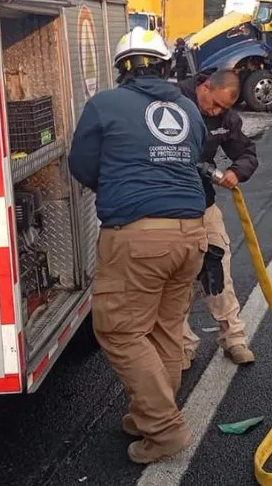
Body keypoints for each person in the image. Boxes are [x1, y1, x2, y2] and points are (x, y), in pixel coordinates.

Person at [68, 27, 220, 465]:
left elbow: (83, 164)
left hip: (137, 235)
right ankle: (149, 412)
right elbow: (192, 157)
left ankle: (164, 426)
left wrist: (120, 187)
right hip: (191, 232)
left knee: (118, 329)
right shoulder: (188, 108)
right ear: (166, 66)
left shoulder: (105, 104)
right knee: (164, 328)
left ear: (121, 69)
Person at [177, 68, 259, 368]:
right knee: (178, 281)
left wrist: (236, 171)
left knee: (218, 272)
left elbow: (247, 152)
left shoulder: (224, 117)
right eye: (213, 104)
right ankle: (182, 345)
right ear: (204, 86)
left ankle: (233, 338)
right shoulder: (171, 102)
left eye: (223, 108)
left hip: (204, 205)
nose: (215, 111)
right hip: (170, 210)